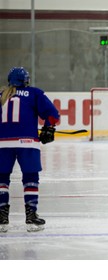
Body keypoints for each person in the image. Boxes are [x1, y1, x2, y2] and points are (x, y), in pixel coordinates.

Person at [0, 67, 60, 232]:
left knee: (1, 179)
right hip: (27, 142)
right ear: (26, 80)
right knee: (31, 178)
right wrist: (49, 128)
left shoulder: (1, 95)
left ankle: (1, 218)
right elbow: (53, 114)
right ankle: (31, 217)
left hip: (2, 143)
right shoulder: (34, 93)